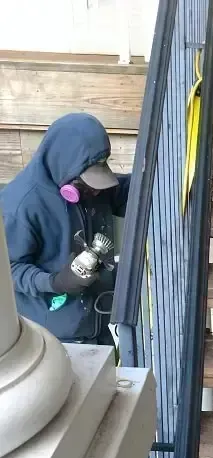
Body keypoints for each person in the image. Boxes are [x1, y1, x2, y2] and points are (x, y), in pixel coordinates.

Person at [0, 113, 130, 344]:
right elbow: (7, 270)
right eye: (87, 184)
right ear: (64, 168)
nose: (97, 192)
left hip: (97, 329)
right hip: (53, 341)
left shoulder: (89, 187)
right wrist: (54, 282)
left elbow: (125, 191)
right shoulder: (20, 206)